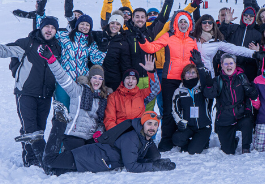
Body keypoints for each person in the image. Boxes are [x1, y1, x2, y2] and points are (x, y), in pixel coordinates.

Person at [33, 112, 175, 175]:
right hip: (88, 157)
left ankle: (35, 142)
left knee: (53, 171)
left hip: (96, 159)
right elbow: (131, 166)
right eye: (149, 124)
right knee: (50, 161)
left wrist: (157, 161)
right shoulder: (132, 138)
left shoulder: (144, 138)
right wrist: (154, 166)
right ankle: (59, 123)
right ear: (143, 125)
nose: (152, 127)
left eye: (155, 125)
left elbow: (134, 157)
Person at [1, 17, 61, 167]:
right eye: (46, 26)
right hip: (26, 92)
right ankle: (36, 160)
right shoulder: (28, 43)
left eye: (53, 28)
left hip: (46, 95)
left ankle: (35, 158)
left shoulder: (57, 47)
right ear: (41, 28)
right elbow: (5, 51)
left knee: (40, 128)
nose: (49, 30)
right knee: (30, 128)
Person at [136, 10, 198, 151]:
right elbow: (152, 47)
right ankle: (166, 139)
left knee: (186, 109)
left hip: (187, 80)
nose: (183, 24)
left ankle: (183, 138)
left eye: (185, 22)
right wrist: (142, 40)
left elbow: (197, 58)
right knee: (169, 110)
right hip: (169, 78)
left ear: (189, 25)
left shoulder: (192, 40)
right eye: (180, 21)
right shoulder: (168, 37)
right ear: (175, 23)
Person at [46, 49, 110, 151]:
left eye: (100, 78)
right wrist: (52, 60)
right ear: (90, 78)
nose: (97, 80)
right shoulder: (79, 91)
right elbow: (63, 78)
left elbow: (101, 121)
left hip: (90, 138)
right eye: (94, 77)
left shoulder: (103, 98)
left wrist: (99, 131)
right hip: (74, 135)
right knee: (77, 159)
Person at [204, 53, 259, 154]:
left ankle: (245, 147)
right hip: (225, 116)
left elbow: (248, 95)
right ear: (221, 65)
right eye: (226, 63)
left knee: (248, 121)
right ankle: (233, 141)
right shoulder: (218, 80)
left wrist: (247, 109)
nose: (229, 66)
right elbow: (210, 95)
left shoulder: (241, 77)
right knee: (228, 151)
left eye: (231, 63)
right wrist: (208, 86)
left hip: (240, 113)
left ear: (235, 64)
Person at [104, 54, 160, 131]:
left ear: (137, 81)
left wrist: (151, 72)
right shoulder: (113, 96)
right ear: (123, 80)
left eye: (134, 78)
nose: (130, 81)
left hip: (137, 132)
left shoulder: (142, 94)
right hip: (120, 133)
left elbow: (155, 89)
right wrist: (115, 134)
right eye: (127, 78)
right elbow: (109, 119)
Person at [192, 14, 256, 78]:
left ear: (213, 25)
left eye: (210, 22)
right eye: (204, 22)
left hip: (207, 75)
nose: (207, 24)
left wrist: (253, 53)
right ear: (200, 24)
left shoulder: (215, 42)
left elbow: (234, 49)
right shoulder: (193, 38)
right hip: (191, 73)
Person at [172, 58, 213, 155]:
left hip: (203, 126)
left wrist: (200, 66)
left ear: (197, 75)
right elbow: (175, 109)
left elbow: (208, 88)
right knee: (177, 139)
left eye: (193, 72)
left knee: (193, 151)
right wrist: (179, 121)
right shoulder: (179, 91)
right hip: (188, 126)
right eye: (188, 72)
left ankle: (201, 141)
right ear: (183, 75)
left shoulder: (202, 88)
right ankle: (195, 142)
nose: (191, 75)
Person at [220, 6, 262, 81]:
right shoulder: (234, 28)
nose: (248, 17)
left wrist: (257, 51)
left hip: (248, 69)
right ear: (242, 16)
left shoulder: (257, 34)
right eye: (246, 15)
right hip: (230, 66)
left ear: (254, 18)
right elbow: (220, 37)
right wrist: (226, 23)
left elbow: (261, 52)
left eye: (251, 16)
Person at [101, 10, 132, 91]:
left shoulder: (123, 42)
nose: (115, 26)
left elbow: (125, 64)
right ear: (109, 24)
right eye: (112, 23)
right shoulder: (100, 36)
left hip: (113, 80)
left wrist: (126, 79)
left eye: (118, 24)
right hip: (98, 79)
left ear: (121, 26)